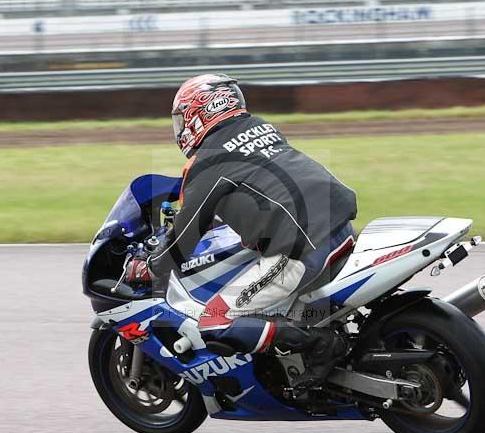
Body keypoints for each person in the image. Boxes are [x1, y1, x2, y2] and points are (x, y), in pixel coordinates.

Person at [126, 74, 358, 389]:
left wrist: (153, 265)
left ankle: (320, 344)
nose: (180, 128)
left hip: (299, 251)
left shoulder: (208, 162)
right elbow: (259, 190)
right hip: (340, 228)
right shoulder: (261, 128)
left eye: (183, 118)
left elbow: (184, 236)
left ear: (200, 114)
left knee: (214, 321)